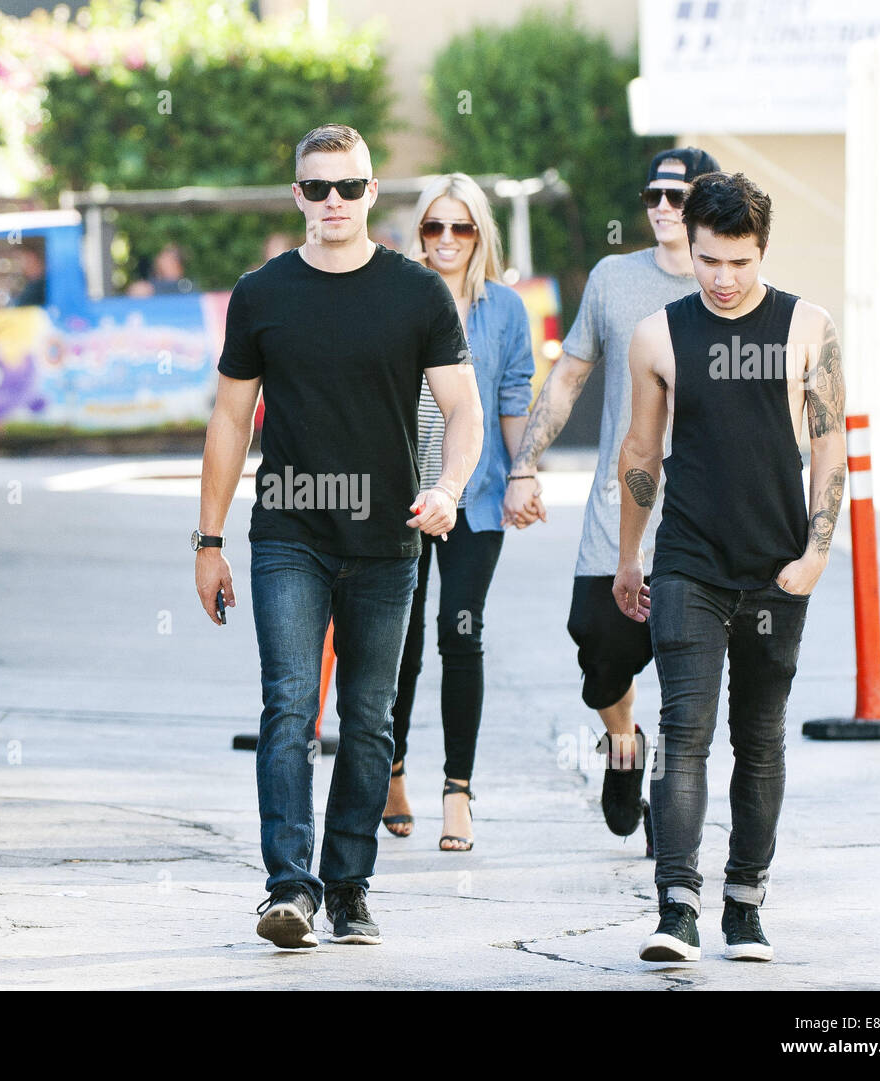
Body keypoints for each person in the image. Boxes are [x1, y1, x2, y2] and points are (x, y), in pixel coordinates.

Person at [195, 124, 483, 949]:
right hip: (288, 530)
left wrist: (449, 490)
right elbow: (229, 416)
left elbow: (462, 412)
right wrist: (208, 540)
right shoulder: (261, 294)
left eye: (348, 189)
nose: (332, 203)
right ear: (297, 195)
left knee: (369, 718)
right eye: (316, 188)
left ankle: (349, 884)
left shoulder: (416, 294)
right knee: (290, 704)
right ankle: (290, 887)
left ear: (369, 194)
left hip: (388, 540)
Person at [614, 172, 846, 962]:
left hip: (777, 565)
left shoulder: (806, 326)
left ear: (762, 252)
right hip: (688, 558)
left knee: (761, 738)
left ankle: (744, 901)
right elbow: (641, 453)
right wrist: (627, 555)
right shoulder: (660, 334)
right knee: (685, 732)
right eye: (709, 259)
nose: (722, 277)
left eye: (738, 262)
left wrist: (817, 552)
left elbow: (827, 446)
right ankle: (676, 906)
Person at [503, 147, 721, 854]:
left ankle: (674, 817)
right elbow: (567, 379)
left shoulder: (730, 286)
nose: (662, 207)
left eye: (678, 196)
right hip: (616, 514)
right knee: (599, 652)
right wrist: (524, 464)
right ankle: (624, 740)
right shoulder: (613, 279)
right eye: (653, 195)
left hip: (704, 519)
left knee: (691, 680)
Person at [380, 173, 535, 851]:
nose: (446, 240)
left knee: (460, 633)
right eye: (434, 227)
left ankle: (458, 790)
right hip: (400, 494)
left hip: (474, 495)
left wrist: (523, 472)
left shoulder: (504, 308)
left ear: (481, 235)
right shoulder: (392, 297)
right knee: (401, 642)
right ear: (419, 233)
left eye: (461, 227)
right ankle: (391, 772)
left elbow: (512, 395)